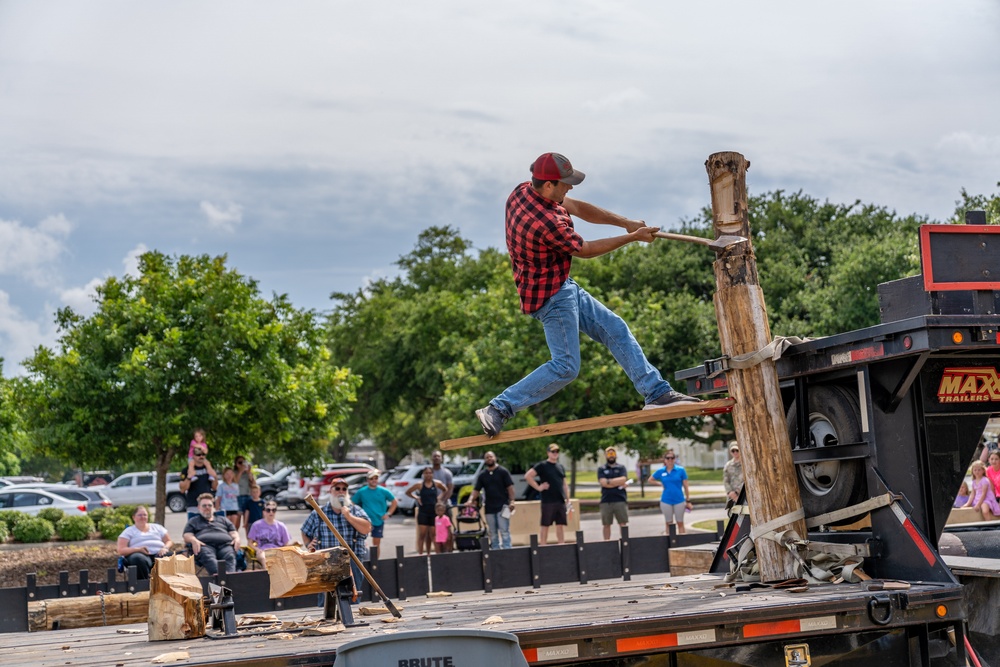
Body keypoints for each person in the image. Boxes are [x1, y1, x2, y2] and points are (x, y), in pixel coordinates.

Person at [475, 152, 699, 438]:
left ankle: (656, 393)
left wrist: (626, 222)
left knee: (615, 328)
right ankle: (499, 408)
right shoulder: (547, 223)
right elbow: (586, 250)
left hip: (558, 285)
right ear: (548, 185)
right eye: (565, 183)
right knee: (566, 366)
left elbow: (578, 207)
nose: (570, 188)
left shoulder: (523, 191)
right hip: (551, 297)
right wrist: (632, 238)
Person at [301, 478, 372, 594]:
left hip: (351, 561)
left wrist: (349, 517)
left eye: (344, 489)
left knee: (352, 596)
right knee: (326, 599)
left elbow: (367, 528)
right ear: (331, 491)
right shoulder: (319, 512)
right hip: (325, 561)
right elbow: (305, 531)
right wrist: (309, 544)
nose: (341, 492)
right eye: (337, 488)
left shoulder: (355, 510)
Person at [466, 451, 515, 549]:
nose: (489, 458)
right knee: (492, 533)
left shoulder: (503, 471)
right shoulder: (482, 475)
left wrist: (512, 501)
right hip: (489, 508)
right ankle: (495, 553)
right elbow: (476, 490)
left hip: (503, 507)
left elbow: (510, 487)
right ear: (485, 460)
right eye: (487, 457)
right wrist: (470, 500)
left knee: (504, 531)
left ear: (495, 458)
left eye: (491, 456)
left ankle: (508, 552)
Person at [182, 492, 240, 575]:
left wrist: (237, 538)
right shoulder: (194, 521)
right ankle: (221, 577)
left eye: (209, 505)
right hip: (205, 546)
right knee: (208, 556)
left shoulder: (223, 519)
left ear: (213, 507)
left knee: (230, 556)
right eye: (204, 505)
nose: (207, 508)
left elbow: (233, 532)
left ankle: (229, 578)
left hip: (225, 545)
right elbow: (187, 535)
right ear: (199, 507)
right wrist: (193, 540)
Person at [525, 443, 570, 545]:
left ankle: (561, 544)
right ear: (548, 453)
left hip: (560, 500)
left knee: (560, 525)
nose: (555, 453)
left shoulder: (560, 466)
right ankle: (543, 546)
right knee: (545, 524)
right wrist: (538, 487)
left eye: (557, 451)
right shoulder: (542, 465)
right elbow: (528, 476)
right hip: (548, 501)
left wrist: (568, 499)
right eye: (553, 451)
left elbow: (564, 484)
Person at [116, 506, 173, 579]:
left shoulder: (157, 527)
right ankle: (143, 584)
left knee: (170, 556)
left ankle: (167, 583)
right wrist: (138, 549)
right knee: (138, 559)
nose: (142, 517)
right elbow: (121, 550)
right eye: (140, 515)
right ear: (133, 517)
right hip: (140, 554)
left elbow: (169, 541)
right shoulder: (129, 531)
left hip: (159, 553)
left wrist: (165, 548)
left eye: (145, 515)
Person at [406, 467, 448, 555]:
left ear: (432, 474)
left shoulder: (437, 483)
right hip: (423, 512)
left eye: (430, 473)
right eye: (426, 473)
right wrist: (417, 498)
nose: (428, 475)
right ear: (423, 474)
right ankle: (421, 555)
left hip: (433, 512)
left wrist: (439, 498)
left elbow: (445, 490)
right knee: (422, 534)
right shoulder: (419, 485)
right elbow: (408, 492)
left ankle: (435, 555)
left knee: (433, 535)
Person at [351, 470, 397, 550]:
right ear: (368, 480)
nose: (374, 480)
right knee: (362, 542)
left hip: (378, 520)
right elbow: (352, 503)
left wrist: (389, 513)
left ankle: (375, 562)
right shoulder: (362, 491)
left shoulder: (383, 491)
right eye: (371, 478)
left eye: (376, 478)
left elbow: (394, 501)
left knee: (376, 545)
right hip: (365, 521)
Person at [649, 450, 692, 534]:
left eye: (672, 458)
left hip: (679, 499)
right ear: (665, 460)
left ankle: (682, 541)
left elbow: (686, 486)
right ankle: (669, 542)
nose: (670, 460)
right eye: (668, 458)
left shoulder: (680, 470)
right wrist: (659, 483)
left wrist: (688, 500)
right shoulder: (661, 471)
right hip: (666, 500)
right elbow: (650, 479)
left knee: (680, 522)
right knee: (668, 523)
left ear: (674, 459)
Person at [598, 446, 629, 540]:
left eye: (613, 453)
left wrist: (609, 482)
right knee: (606, 524)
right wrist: (617, 483)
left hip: (620, 499)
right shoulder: (601, 468)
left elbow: (623, 479)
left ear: (616, 455)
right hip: (606, 500)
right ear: (605, 455)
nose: (611, 456)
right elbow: (603, 483)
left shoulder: (621, 467)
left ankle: (625, 542)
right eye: (609, 454)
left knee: (622, 523)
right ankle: (607, 543)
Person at [246, 500, 290, 566]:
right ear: (264, 512)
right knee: (263, 558)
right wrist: (257, 549)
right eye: (268, 510)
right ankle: (267, 573)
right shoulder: (256, 525)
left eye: (273, 510)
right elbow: (250, 543)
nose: (271, 512)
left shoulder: (281, 526)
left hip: (277, 551)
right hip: (263, 550)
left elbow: (286, 544)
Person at [179, 444, 218, 518]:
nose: (201, 456)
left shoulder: (209, 468)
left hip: (208, 504)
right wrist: (189, 477)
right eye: (198, 454)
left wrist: (214, 476)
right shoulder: (186, 470)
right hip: (193, 505)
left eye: (203, 454)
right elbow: (182, 489)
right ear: (193, 456)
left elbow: (215, 487)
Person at [234, 455, 255, 525]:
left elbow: (254, 484)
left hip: (248, 496)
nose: (242, 464)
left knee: (247, 521)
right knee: (237, 519)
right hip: (238, 497)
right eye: (240, 463)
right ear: (236, 464)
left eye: (244, 462)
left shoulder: (248, 473)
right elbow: (235, 482)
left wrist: (249, 473)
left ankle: (248, 535)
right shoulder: (235, 472)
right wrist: (240, 471)